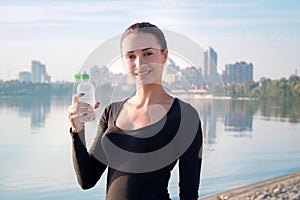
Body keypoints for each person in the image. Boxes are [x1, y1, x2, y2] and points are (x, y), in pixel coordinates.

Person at [68, 22, 203, 200]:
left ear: (164, 55)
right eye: (131, 56)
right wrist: (77, 130)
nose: (139, 63)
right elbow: (87, 180)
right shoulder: (112, 112)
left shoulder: (185, 116)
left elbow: (189, 193)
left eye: (148, 53)